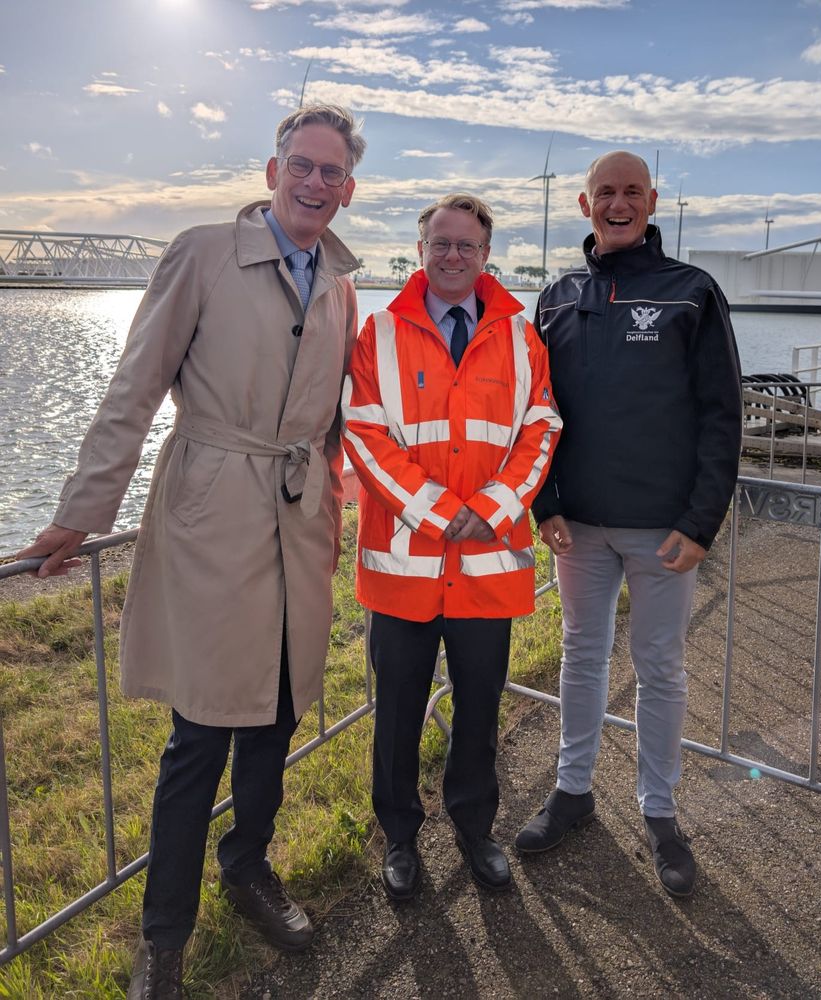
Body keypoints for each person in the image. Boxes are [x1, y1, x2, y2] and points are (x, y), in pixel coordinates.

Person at [15, 103, 365, 998]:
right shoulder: (203, 252)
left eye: (332, 171)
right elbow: (136, 383)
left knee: (279, 713)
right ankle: (162, 936)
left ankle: (248, 867)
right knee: (201, 731)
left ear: (350, 189)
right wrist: (82, 512)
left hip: (298, 521)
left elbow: (334, 416)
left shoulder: (342, 281)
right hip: (214, 509)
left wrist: (341, 495)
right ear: (271, 169)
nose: (316, 182)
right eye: (303, 164)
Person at [514, 151, 742, 899]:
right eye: (604, 193)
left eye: (631, 193)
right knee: (582, 655)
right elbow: (535, 412)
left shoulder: (692, 293)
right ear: (584, 204)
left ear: (652, 200)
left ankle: (661, 811)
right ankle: (572, 793)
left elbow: (721, 416)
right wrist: (543, 502)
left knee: (660, 666)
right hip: (576, 528)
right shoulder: (554, 297)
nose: (618, 204)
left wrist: (702, 521)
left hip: (663, 531)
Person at [341, 193, 561, 900]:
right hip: (405, 568)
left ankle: (475, 829)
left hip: (486, 566)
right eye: (441, 243)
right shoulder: (378, 333)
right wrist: (437, 510)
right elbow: (363, 431)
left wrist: (494, 507)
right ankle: (400, 839)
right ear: (420, 248)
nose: (453, 256)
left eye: (467, 245)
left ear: (486, 254)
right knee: (398, 715)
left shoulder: (521, 338)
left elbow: (542, 427)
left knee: (478, 711)